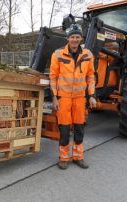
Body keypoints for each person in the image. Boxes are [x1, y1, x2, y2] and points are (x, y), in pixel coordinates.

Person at [50, 23, 97, 170]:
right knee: (64, 130)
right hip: (63, 99)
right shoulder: (57, 54)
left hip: (80, 99)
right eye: (72, 37)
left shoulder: (88, 55)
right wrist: (54, 98)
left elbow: (90, 77)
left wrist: (92, 96)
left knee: (79, 128)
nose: (75, 39)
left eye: (77, 37)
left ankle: (78, 157)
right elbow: (53, 77)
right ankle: (63, 158)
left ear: (81, 38)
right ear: (68, 38)